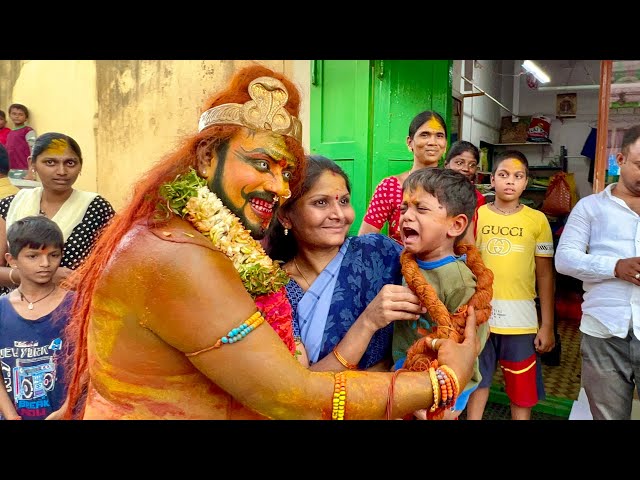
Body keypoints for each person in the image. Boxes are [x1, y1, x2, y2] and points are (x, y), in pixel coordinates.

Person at [60, 64, 479, 420]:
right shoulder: (177, 253)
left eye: (284, 172)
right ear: (207, 157)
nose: (277, 186)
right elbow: (291, 394)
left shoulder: (224, 247)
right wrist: (442, 382)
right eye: (261, 163)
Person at [265, 154, 426, 372]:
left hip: (398, 397)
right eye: (321, 203)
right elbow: (304, 384)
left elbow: (439, 291)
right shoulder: (277, 288)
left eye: (344, 201)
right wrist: (368, 321)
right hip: (326, 404)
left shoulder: (379, 253)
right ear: (286, 217)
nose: (340, 215)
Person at [390, 168, 492, 419]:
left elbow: (471, 346)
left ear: (456, 225)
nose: (406, 217)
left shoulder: (459, 281)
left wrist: (451, 405)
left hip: (441, 393)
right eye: (404, 208)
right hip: (404, 377)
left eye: (420, 209)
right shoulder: (406, 264)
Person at [555, 125, 640, 420]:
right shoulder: (590, 208)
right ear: (620, 159)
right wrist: (615, 267)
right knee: (607, 416)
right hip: (603, 331)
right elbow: (564, 260)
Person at [467, 150, 556, 420]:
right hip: (480, 317)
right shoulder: (476, 216)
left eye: (518, 176)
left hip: (521, 319)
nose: (510, 181)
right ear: (491, 180)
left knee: (522, 386)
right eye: (503, 175)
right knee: (477, 381)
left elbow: (545, 275)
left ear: (526, 182)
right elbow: (466, 265)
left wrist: (548, 325)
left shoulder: (537, 221)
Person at [0, 132, 116, 294]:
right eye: (50, 162)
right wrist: (45, 276)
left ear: (80, 165)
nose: (62, 171)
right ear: (32, 164)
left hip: (69, 309)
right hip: (13, 308)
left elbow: (110, 267)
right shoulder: (10, 205)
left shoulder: (96, 208)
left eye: (70, 163)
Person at [0, 216, 75, 420]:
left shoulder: (77, 306)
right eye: (33, 256)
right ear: (12, 260)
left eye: (53, 255)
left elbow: (92, 365)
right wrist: (10, 415)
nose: (45, 264)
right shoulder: (2, 309)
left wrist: (66, 410)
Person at [358, 110, 448, 244]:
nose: (432, 142)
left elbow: (464, 244)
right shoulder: (390, 186)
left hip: (443, 264)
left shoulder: (452, 187)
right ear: (409, 142)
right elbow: (364, 240)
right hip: (399, 263)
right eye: (425, 135)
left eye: (439, 136)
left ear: (445, 144)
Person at [444, 140, 486, 240]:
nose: (466, 169)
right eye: (459, 163)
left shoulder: (478, 198)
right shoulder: (434, 190)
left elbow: (475, 233)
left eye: (472, 165)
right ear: (446, 165)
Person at [5, 103, 35, 171]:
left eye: (20, 114)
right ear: (9, 115)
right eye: (14, 114)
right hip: (10, 169)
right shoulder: (10, 132)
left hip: (23, 169)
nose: (17, 116)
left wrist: (31, 170)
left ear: (26, 118)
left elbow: (33, 149)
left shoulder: (28, 131)